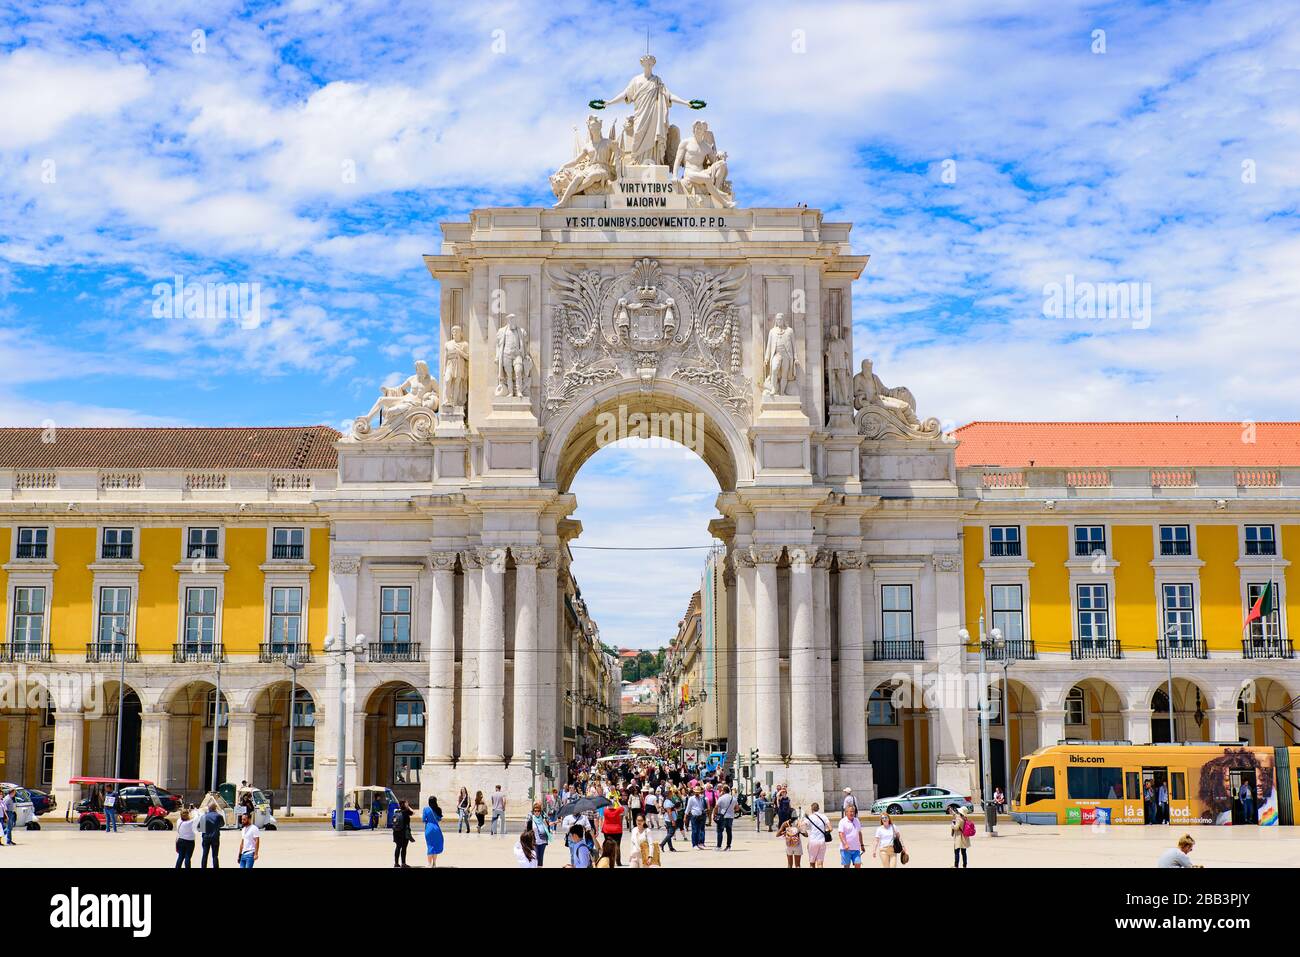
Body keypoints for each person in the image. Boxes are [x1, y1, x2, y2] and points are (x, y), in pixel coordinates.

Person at [837, 802, 864, 868]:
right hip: (846, 849)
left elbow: (859, 833)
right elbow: (841, 834)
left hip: (856, 848)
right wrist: (845, 844)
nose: (852, 813)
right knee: (846, 866)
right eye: (850, 811)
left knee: (858, 864)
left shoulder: (857, 820)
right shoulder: (842, 821)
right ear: (846, 812)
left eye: (853, 811)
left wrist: (862, 845)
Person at [804, 802, 831, 868]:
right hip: (822, 841)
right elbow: (830, 828)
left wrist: (805, 833)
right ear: (818, 808)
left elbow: (802, 826)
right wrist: (825, 832)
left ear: (811, 809)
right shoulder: (824, 816)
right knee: (820, 863)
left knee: (812, 863)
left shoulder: (810, 817)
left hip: (813, 841)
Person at [601, 796, 624, 865]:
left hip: (607, 830)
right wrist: (617, 801)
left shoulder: (605, 811)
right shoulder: (617, 810)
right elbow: (622, 808)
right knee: (617, 846)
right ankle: (618, 862)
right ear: (614, 805)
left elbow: (605, 807)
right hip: (617, 830)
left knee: (608, 846)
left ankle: (608, 861)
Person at [423, 796, 444, 867]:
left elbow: (424, 819)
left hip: (428, 828)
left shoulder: (426, 809)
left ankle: (429, 863)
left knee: (430, 846)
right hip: (436, 828)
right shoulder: (438, 809)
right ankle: (434, 863)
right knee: (435, 846)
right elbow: (439, 819)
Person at [200, 800, 222, 868]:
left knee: (205, 854)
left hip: (206, 837)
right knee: (215, 855)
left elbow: (200, 828)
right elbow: (222, 824)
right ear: (215, 808)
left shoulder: (204, 816)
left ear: (208, 808)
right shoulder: (218, 816)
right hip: (215, 837)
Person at [714, 784, 736, 850]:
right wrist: (731, 810)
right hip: (730, 817)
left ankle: (719, 846)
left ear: (723, 791)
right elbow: (737, 808)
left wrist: (715, 814)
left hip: (722, 816)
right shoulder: (733, 798)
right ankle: (728, 846)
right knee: (729, 831)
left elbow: (716, 807)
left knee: (720, 831)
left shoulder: (721, 798)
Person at [529, 801, 551, 866]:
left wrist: (546, 824)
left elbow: (548, 830)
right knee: (535, 858)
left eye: (538, 811)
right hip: (534, 842)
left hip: (542, 841)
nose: (537, 812)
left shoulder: (543, 819)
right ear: (533, 811)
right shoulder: (531, 819)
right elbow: (527, 830)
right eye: (535, 811)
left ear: (540, 811)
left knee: (540, 859)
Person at [392, 800, 414, 868]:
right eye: (406, 803)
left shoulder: (396, 812)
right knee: (404, 848)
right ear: (405, 805)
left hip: (396, 832)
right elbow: (413, 812)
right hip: (404, 832)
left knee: (398, 847)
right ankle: (403, 863)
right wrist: (408, 807)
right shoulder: (406, 812)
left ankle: (396, 863)